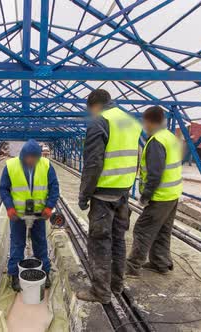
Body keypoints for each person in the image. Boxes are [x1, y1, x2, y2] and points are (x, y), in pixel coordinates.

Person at [75, 89, 142, 304]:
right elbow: (136, 156)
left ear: (95, 105)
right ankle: (116, 285)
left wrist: (84, 195)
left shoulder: (101, 122)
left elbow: (93, 163)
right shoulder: (130, 122)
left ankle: (100, 292)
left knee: (99, 242)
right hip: (123, 192)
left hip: (104, 194)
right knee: (118, 240)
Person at [127, 106, 183, 277]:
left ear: (150, 122)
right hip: (172, 194)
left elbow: (155, 173)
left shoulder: (156, 141)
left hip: (161, 195)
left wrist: (145, 196)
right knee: (163, 230)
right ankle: (161, 263)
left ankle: (132, 266)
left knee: (142, 229)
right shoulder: (170, 137)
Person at [0, 139, 59, 292]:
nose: (31, 160)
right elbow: (3, 189)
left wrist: (49, 207)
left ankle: (44, 272)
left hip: (39, 213)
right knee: (17, 244)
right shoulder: (11, 166)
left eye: (34, 157)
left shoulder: (46, 165)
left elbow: (54, 187)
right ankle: (14, 275)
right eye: (28, 157)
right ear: (23, 155)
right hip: (18, 214)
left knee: (40, 243)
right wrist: (10, 207)